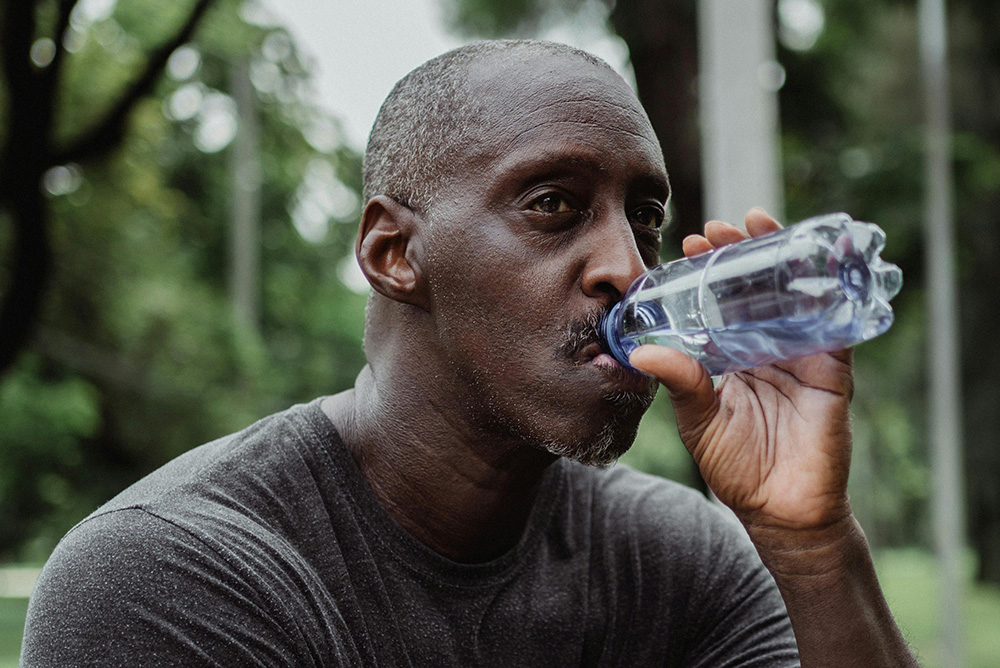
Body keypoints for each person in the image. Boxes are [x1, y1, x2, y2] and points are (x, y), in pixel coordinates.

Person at [20, 40, 920, 667]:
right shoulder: (170, 581)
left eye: (644, 219)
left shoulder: (679, 562)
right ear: (394, 255)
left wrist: (812, 549)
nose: (627, 269)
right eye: (553, 205)